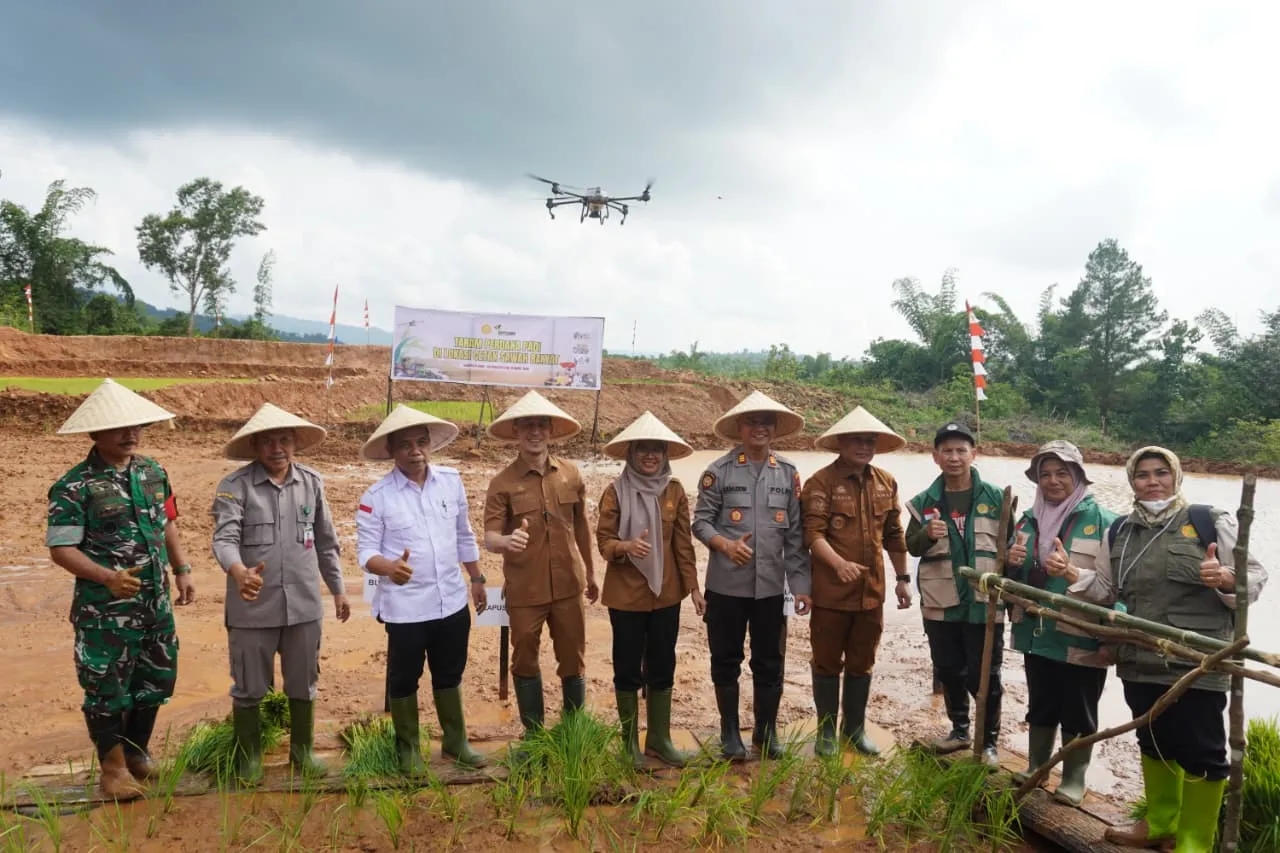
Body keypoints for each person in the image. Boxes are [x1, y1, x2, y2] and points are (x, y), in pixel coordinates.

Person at [1067, 446, 1266, 852]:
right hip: (1139, 659)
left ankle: (1194, 841)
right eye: (1142, 475)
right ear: (1132, 482)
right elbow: (1107, 589)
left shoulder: (1208, 521)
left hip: (1197, 662)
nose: (1152, 481)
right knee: (1153, 741)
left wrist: (1225, 577)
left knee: (1203, 752)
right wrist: (1072, 574)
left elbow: (1255, 578)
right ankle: (1159, 824)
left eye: (1161, 472)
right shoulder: (1120, 530)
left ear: (1176, 476)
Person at [46, 379, 195, 800]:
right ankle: (112, 772)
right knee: (106, 685)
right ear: (95, 434)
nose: (131, 434)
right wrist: (106, 577)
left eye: (136, 427)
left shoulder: (153, 473)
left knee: (156, 677)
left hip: (154, 602)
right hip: (104, 610)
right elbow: (61, 549)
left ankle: (136, 753)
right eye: (119, 428)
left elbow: (167, 524)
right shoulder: (73, 487)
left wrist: (181, 569)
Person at [211, 403, 350, 783]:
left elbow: (326, 542)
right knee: (250, 686)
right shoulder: (234, 487)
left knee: (303, 682)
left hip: (304, 605)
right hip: (252, 607)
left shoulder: (312, 483)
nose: (277, 449)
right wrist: (239, 571)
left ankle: (302, 754)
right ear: (255, 446)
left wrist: (337, 589)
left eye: (285, 440)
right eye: (268, 441)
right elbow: (224, 539)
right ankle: (249, 756)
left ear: (295, 443)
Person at [356, 405, 487, 773]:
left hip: (451, 600)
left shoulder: (451, 481)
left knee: (450, 673)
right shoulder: (377, 496)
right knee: (403, 677)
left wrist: (476, 578)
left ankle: (455, 743)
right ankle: (409, 749)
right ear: (392, 451)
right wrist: (387, 567)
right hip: (405, 606)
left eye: (420, 443)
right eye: (405, 445)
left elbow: (464, 534)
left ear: (430, 445)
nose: (414, 451)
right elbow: (365, 550)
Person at [692, 390, 812, 761]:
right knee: (725, 659)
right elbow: (700, 522)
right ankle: (729, 733)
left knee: (770, 661)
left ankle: (766, 731)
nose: (759, 428)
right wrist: (724, 545)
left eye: (766, 422)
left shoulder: (788, 474)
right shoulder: (719, 472)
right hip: (726, 586)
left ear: (774, 429)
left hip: (771, 589)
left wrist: (802, 586)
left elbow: (794, 536)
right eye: (752, 422)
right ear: (739, 428)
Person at [1003, 441, 1117, 805]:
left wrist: (1110, 639)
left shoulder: (1106, 523)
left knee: (1079, 708)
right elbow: (1019, 578)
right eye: (1045, 474)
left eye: (1061, 473)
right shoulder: (1028, 519)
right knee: (1042, 703)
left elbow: (1118, 589)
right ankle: (1037, 767)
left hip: (1080, 633)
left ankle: (1074, 778)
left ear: (1079, 477)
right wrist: (1011, 561)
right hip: (1037, 633)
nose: (1052, 481)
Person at [482, 391, 598, 746]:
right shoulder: (502, 483)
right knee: (525, 660)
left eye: (541, 425)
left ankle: (574, 733)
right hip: (525, 590)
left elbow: (581, 528)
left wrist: (592, 574)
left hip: (568, 586)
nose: (535, 432)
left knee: (572, 659)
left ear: (551, 431)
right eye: (527, 425)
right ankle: (534, 737)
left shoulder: (571, 475)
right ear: (516, 431)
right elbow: (489, 536)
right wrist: (506, 542)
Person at [596, 411, 706, 768]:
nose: (650, 455)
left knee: (662, 665)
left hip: (666, 595)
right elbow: (604, 541)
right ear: (630, 453)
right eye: (642, 449)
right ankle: (629, 744)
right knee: (627, 668)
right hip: (625, 595)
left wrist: (694, 588)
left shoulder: (674, 492)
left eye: (656, 449)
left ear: (665, 454)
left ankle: (659, 739)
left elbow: (683, 545)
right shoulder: (614, 492)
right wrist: (625, 547)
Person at [801, 406, 912, 757]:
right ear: (841, 442)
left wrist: (903, 579)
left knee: (863, 662)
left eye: (870, 440)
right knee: (827, 661)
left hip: (871, 594)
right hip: (832, 593)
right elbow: (812, 534)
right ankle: (826, 733)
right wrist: (838, 564)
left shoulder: (886, 482)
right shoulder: (820, 482)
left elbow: (894, 534)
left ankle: (855, 729)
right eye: (857, 440)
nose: (865, 446)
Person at [905, 420, 1008, 766]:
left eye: (961, 450)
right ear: (935, 457)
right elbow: (911, 546)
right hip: (941, 603)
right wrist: (927, 535)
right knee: (949, 668)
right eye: (946, 451)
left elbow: (1010, 548)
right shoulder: (924, 502)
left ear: (973, 454)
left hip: (983, 606)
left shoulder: (997, 498)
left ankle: (988, 742)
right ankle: (960, 730)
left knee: (986, 676)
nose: (954, 457)